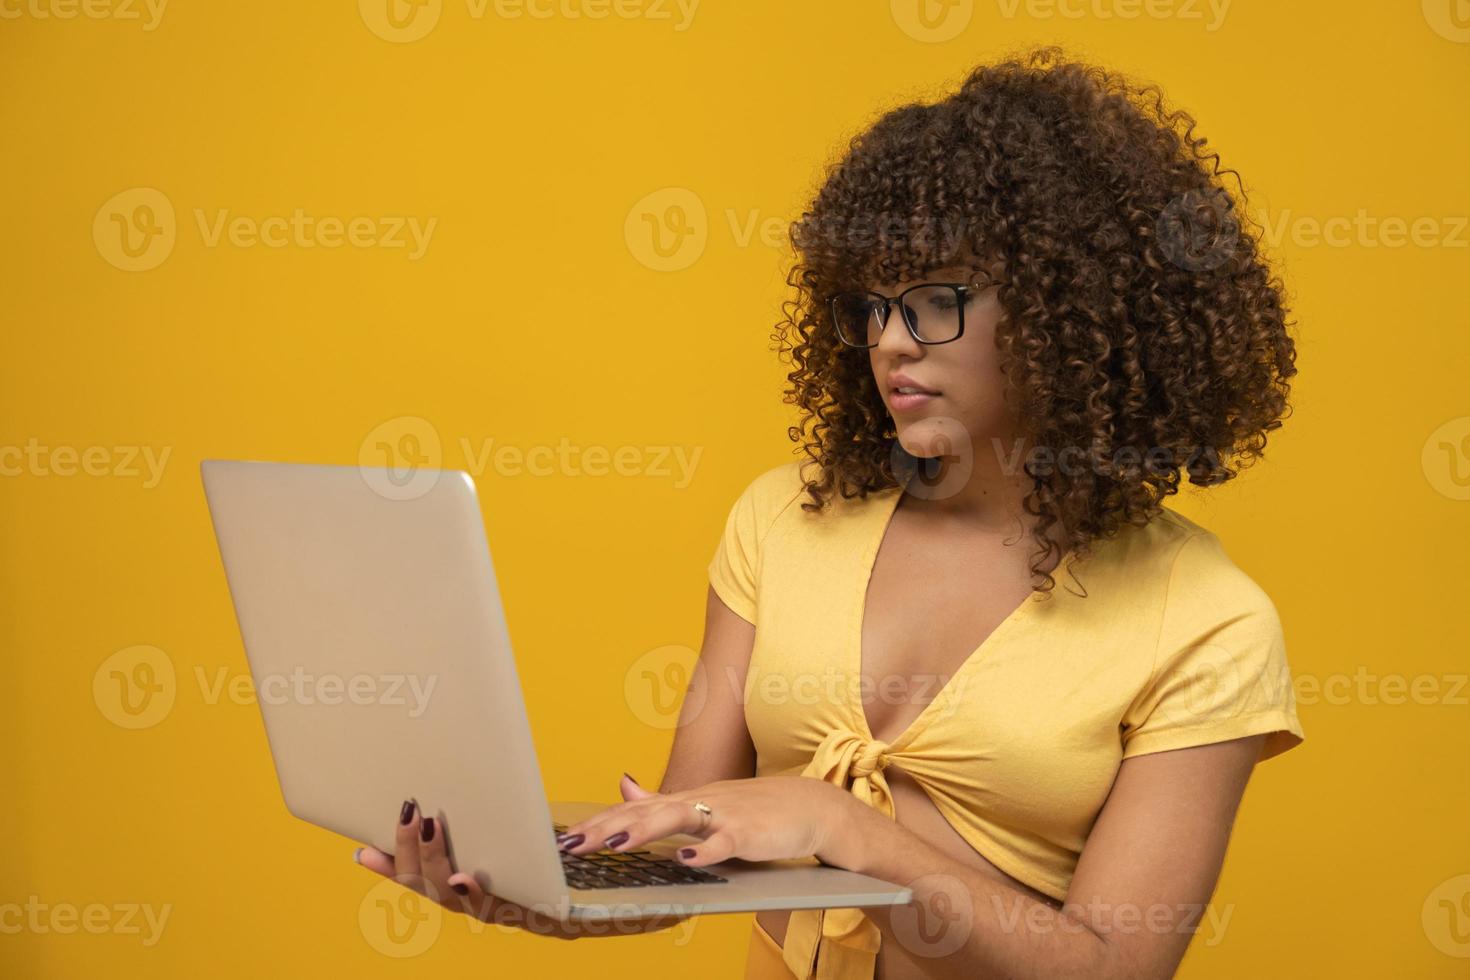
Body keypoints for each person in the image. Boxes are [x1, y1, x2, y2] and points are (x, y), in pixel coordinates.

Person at [357, 44, 1306, 980]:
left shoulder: (1207, 622)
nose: (891, 341)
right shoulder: (782, 522)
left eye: (936, 298)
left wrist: (844, 826)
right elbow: (690, 847)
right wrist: (532, 882)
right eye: (872, 305)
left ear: (1071, 305)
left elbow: (1116, 968)